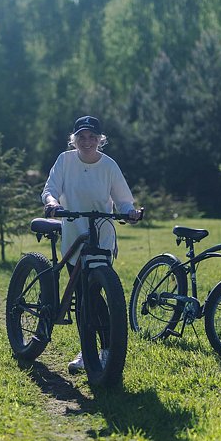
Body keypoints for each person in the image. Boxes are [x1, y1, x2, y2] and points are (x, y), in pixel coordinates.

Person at [41, 115, 140, 373]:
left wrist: (129, 212)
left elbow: (123, 199)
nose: (87, 141)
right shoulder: (65, 160)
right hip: (74, 233)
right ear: (74, 140)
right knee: (84, 295)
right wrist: (52, 203)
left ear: (100, 139)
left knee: (93, 294)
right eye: (81, 137)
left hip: (102, 235)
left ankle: (105, 351)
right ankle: (89, 352)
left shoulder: (109, 166)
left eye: (92, 137)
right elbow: (50, 189)